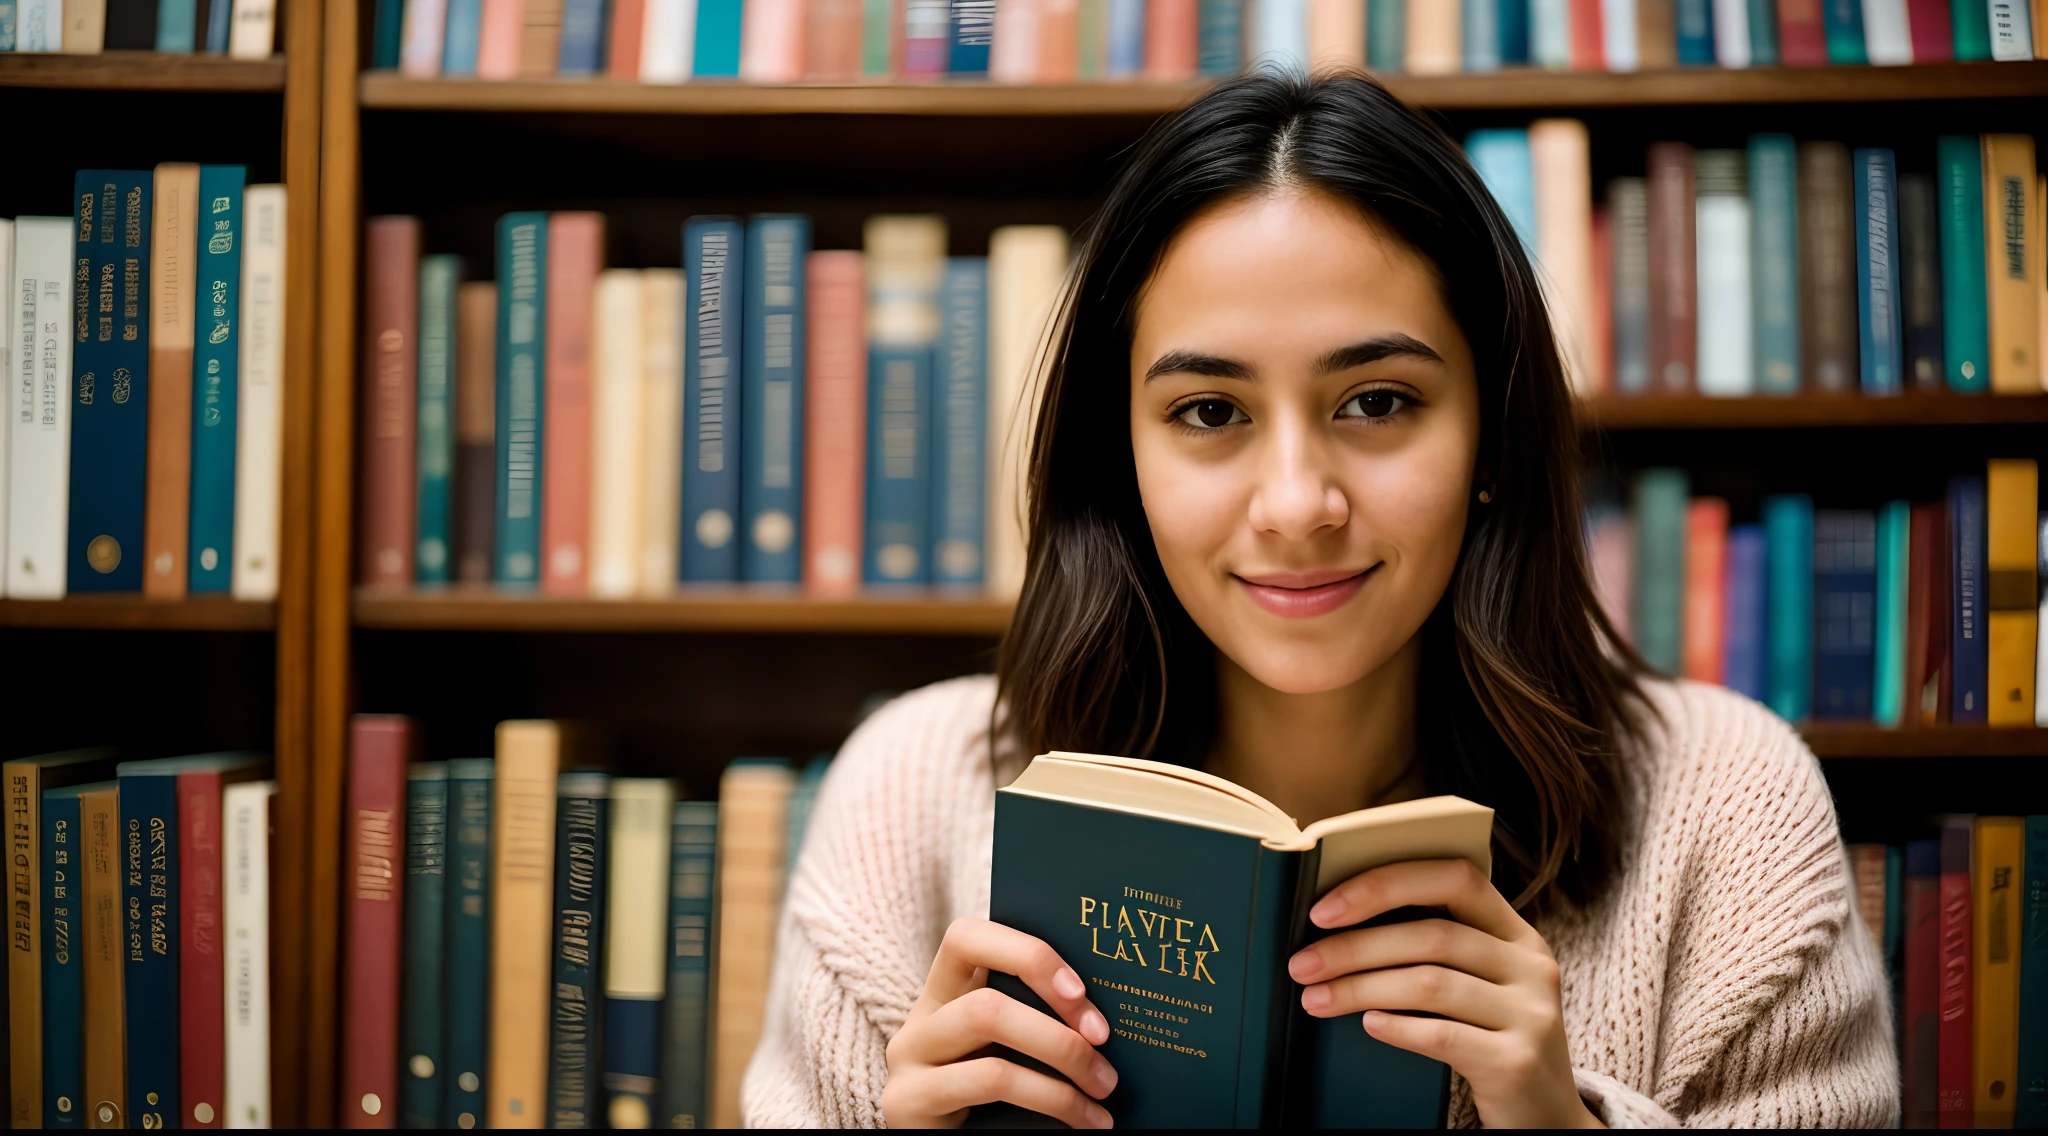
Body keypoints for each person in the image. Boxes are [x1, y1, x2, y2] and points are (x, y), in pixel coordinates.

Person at [742, 71, 1897, 1128]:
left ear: (1490, 429)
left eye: (1377, 400)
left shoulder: (1727, 811)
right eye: (1208, 412)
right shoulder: (907, 797)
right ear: (1119, 458)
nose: (1296, 504)